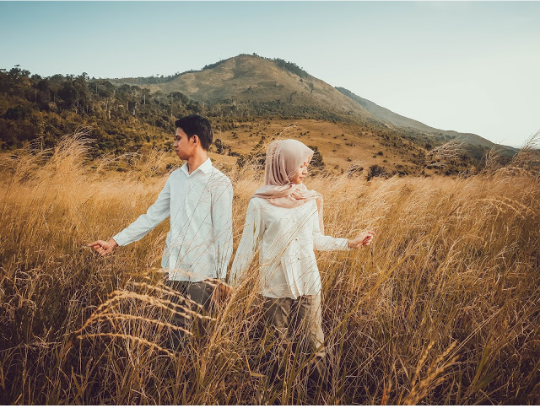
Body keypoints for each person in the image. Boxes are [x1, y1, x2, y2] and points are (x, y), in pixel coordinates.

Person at [229, 139, 374, 381]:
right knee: (276, 348)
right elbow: (246, 248)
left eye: (307, 165)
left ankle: (316, 395)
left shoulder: (311, 200)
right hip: (275, 287)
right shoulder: (259, 203)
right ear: (282, 166)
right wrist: (231, 285)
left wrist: (350, 243)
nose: (306, 170)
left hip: (308, 282)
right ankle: (278, 395)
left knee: (313, 346)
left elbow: (316, 239)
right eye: (300, 165)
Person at [88, 114, 233, 346]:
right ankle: (173, 377)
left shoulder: (219, 182)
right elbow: (152, 216)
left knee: (201, 335)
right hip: (173, 270)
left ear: (194, 139)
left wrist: (222, 279)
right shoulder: (175, 178)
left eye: (178, 138)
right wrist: (114, 242)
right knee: (175, 333)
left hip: (203, 274)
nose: (174, 144)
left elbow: (224, 235)